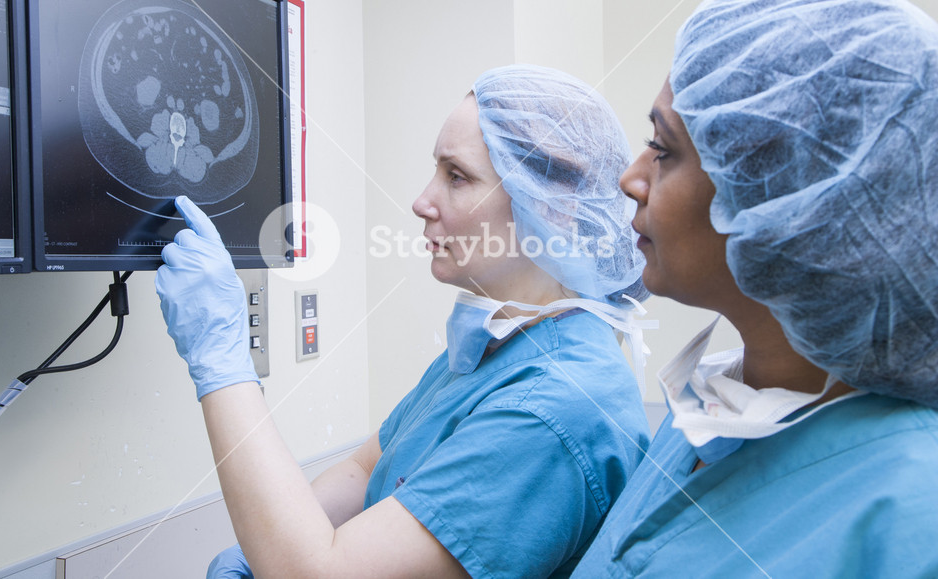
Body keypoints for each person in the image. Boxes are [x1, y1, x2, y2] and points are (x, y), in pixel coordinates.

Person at [155, 64, 654, 578]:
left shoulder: (553, 407)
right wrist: (265, 550)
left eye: (456, 176)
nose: (421, 202)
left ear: (555, 208)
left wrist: (221, 358)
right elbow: (366, 468)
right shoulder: (499, 342)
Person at [572, 0, 938, 577]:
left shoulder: (913, 516)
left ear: (790, 199)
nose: (629, 179)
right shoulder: (714, 411)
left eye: (662, 149)